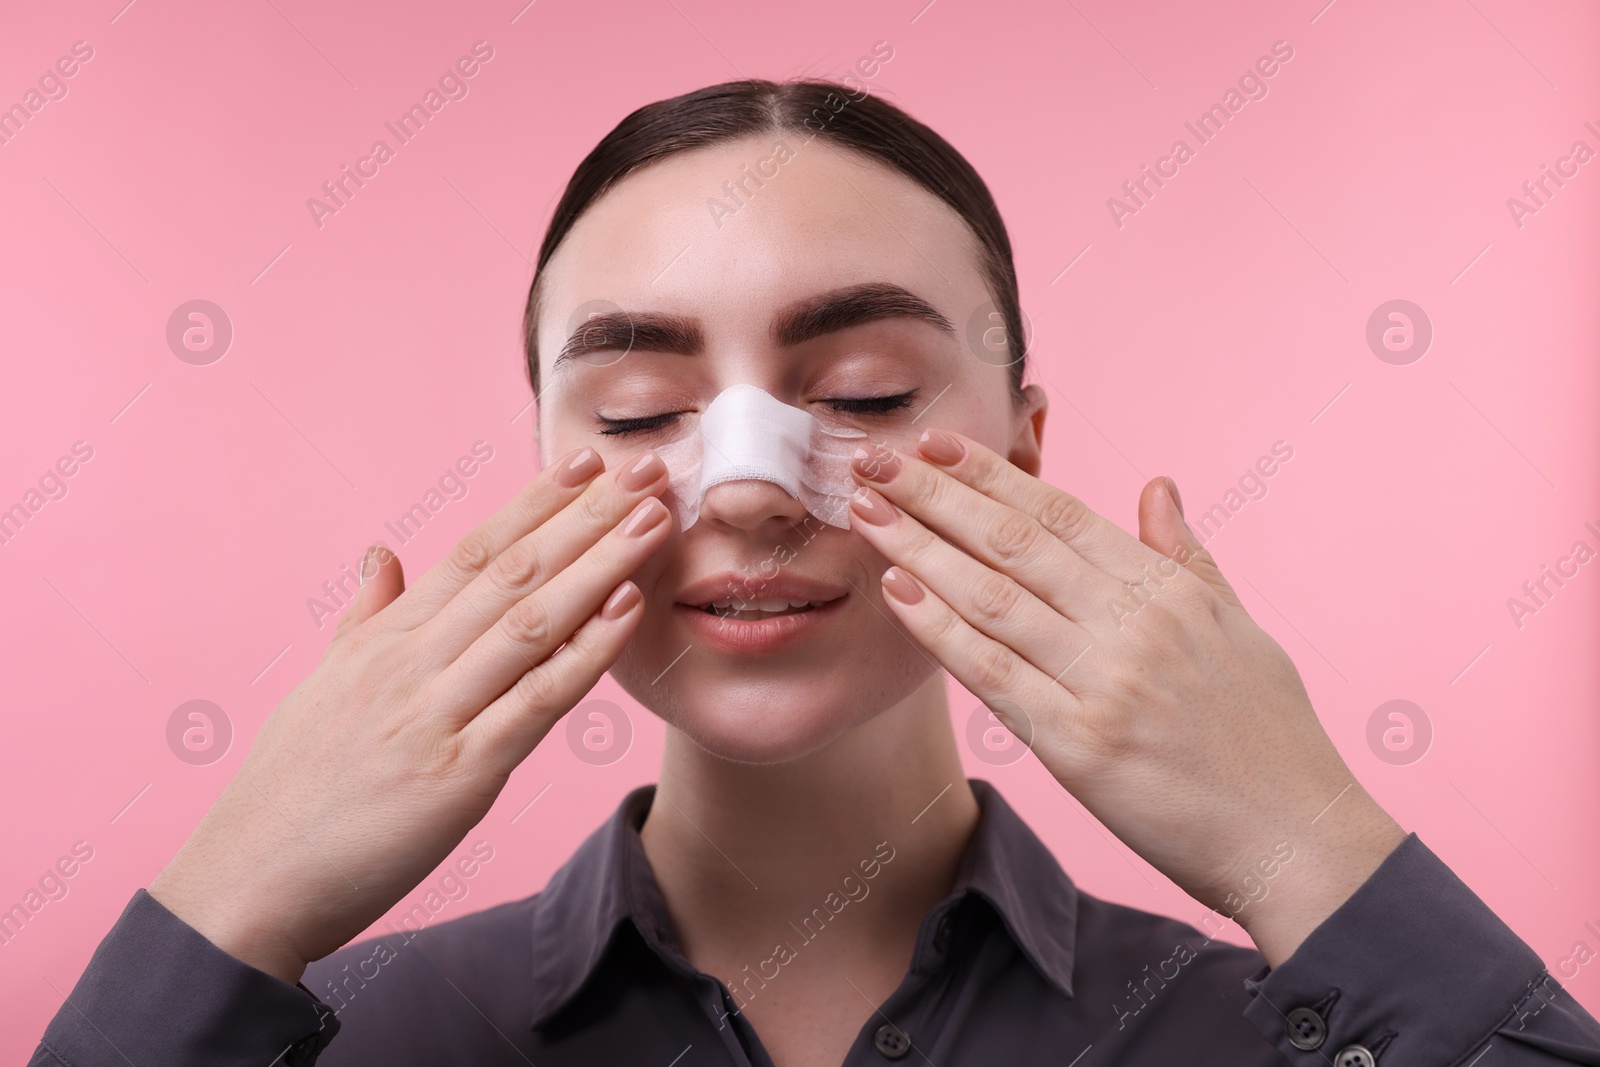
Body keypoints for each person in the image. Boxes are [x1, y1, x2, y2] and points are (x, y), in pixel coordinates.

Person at [28, 77, 1600, 1067]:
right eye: (645, 410)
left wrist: (1307, 845)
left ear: (1027, 450)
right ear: (542, 472)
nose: (754, 488)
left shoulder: (1277, 1034)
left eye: (859, 396)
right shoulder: (361, 1039)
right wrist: (226, 902)